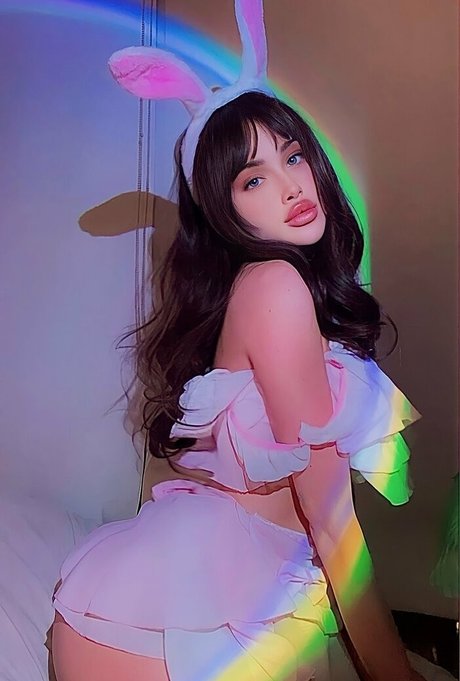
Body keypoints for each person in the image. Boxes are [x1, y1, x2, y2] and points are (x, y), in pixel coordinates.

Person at [49, 2, 428, 680]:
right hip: (150, 629)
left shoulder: (274, 293)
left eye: (293, 156)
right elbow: (331, 520)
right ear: (223, 209)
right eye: (253, 178)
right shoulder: (276, 286)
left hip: (177, 602)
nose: (290, 185)